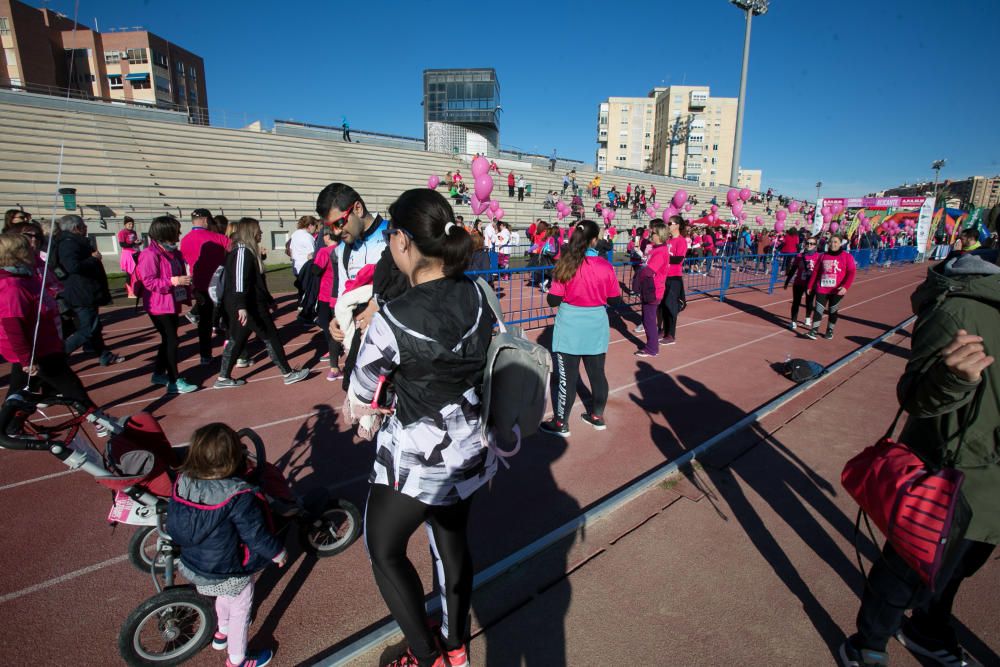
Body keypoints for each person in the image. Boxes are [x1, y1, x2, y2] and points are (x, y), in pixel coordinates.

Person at [344, 188, 496, 667]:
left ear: (405, 241)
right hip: (471, 449)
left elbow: (360, 388)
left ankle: (426, 654)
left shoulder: (392, 319)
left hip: (417, 460)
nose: (389, 243)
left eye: (391, 234)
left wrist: (352, 334)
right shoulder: (479, 292)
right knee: (451, 545)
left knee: (384, 549)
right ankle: (455, 649)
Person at [839, 245, 999, 667]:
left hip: (992, 483)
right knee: (906, 569)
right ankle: (867, 645)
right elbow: (914, 397)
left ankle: (926, 630)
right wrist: (953, 379)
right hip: (952, 475)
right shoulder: (960, 309)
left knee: (959, 569)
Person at [166, 423, 286, 667]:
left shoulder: (183, 482)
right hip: (227, 569)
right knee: (242, 607)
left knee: (223, 596)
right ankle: (238, 659)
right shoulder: (237, 496)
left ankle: (221, 633)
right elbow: (255, 535)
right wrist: (277, 552)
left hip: (193, 563)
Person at [539, 219, 622, 437]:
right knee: (597, 374)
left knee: (567, 378)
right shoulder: (605, 265)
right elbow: (615, 300)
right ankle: (597, 416)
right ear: (594, 240)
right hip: (595, 325)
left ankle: (561, 423)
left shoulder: (566, 263)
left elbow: (553, 301)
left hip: (569, 327)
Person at [0, 232, 93, 408]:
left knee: (18, 394)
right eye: (27, 248)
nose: (33, 250)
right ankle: (99, 422)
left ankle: (10, 427)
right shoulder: (12, 286)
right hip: (38, 350)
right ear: (16, 254)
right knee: (72, 389)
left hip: (44, 344)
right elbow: (13, 325)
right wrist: (27, 359)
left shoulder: (26, 277)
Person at [215, 218, 309, 388]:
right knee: (270, 337)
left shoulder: (246, 251)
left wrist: (268, 299)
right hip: (249, 306)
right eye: (258, 229)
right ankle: (287, 373)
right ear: (251, 231)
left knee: (237, 339)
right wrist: (242, 306)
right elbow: (240, 281)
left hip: (248, 304)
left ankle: (223, 377)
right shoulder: (242, 251)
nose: (261, 232)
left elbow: (256, 282)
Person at [137, 217, 197, 394]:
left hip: (171, 303)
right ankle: (173, 381)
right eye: (176, 231)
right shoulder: (149, 254)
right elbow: (148, 282)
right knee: (172, 341)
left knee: (169, 340)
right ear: (165, 233)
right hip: (158, 305)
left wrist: (186, 285)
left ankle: (158, 374)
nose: (179, 235)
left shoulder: (173, 253)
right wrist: (173, 281)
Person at [55, 215, 123, 366]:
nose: (86, 228)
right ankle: (56, 358)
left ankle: (105, 355)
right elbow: (72, 267)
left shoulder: (74, 242)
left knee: (94, 326)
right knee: (87, 330)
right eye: (84, 225)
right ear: (76, 228)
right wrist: (93, 258)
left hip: (84, 292)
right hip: (81, 294)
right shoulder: (69, 244)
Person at [180, 208, 229, 365]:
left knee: (205, 322)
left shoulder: (185, 240)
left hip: (199, 285)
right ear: (207, 220)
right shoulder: (218, 238)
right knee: (229, 318)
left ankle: (205, 355)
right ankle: (237, 352)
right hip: (220, 285)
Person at [805, 232, 856, 340]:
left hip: (837, 290)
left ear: (840, 243)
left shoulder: (847, 257)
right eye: (831, 242)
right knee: (818, 310)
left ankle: (830, 330)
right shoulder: (823, 256)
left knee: (833, 311)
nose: (833, 244)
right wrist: (810, 286)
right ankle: (814, 330)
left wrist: (845, 287)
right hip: (822, 288)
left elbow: (851, 272)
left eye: (836, 242)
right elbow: (816, 272)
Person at [311, 227, 344, 381]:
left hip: (327, 294)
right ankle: (335, 359)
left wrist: (311, 259)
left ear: (326, 236)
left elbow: (315, 271)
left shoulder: (324, 252)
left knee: (328, 325)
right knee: (338, 325)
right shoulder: (342, 248)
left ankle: (334, 361)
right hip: (341, 293)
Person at [635, 220, 669, 357]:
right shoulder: (658, 249)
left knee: (649, 320)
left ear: (659, 235)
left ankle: (652, 348)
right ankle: (652, 345)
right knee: (647, 318)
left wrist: (639, 275)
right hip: (651, 288)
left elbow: (649, 270)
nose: (651, 235)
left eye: (653, 233)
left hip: (654, 289)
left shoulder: (660, 252)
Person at [660, 216, 688, 345]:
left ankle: (671, 334)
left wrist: (663, 258)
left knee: (671, 306)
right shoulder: (668, 240)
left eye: (670, 223)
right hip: (664, 276)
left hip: (674, 277)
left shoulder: (681, 241)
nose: (668, 225)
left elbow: (678, 260)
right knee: (663, 305)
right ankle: (664, 330)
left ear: (677, 225)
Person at [783, 236, 820, 330]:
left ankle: (808, 318)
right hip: (799, 282)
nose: (809, 245)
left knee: (809, 302)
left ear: (815, 246)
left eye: (811, 243)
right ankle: (793, 322)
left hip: (811, 284)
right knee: (796, 302)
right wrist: (787, 281)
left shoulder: (818, 257)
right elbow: (793, 269)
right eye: (807, 243)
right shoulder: (799, 256)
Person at [289, 215, 318, 305]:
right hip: (306, 268)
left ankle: (301, 303)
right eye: (315, 226)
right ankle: (306, 308)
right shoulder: (308, 237)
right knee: (308, 290)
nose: (315, 229)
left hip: (296, 267)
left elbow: (290, 250)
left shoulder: (294, 234)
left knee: (301, 289)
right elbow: (313, 254)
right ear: (310, 225)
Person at [117, 217, 142, 296]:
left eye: (132, 224)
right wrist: (134, 243)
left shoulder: (134, 232)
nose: (131, 225)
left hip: (136, 252)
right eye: (129, 224)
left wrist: (139, 242)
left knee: (137, 272)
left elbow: (135, 242)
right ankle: (130, 291)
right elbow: (122, 244)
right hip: (128, 254)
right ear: (125, 224)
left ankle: (137, 288)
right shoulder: (122, 233)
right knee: (129, 272)